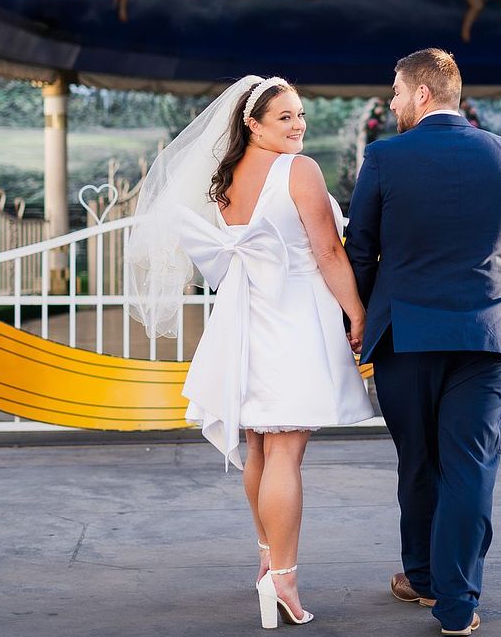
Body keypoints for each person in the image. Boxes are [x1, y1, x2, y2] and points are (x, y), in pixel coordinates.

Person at [127, 75, 373, 629]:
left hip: (244, 318)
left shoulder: (225, 178)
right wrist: (356, 312)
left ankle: (267, 558)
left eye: (300, 114)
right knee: (285, 452)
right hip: (292, 317)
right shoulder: (298, 171)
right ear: (252, 123)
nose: (298, 125)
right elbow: (329, 252)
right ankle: (282, 577)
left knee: (260, 447)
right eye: (285, 116)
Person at [346, 49, 501, 636]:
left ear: (423, 94)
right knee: (471, 465)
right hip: (487, 335)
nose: (392, 103)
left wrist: (356, 320)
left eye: (396, 92)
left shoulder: (384, 157)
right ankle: (456, 602)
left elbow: (361, 250)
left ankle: (423, 577)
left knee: (419, 461)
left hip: (405, 335)